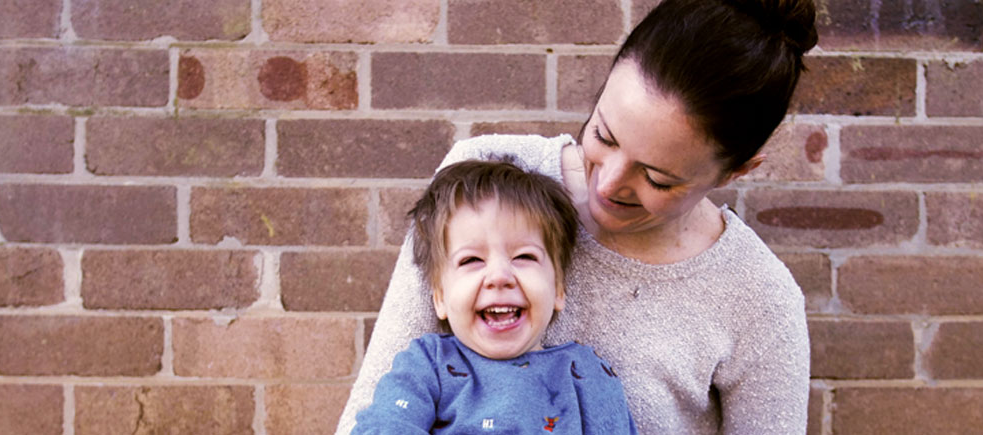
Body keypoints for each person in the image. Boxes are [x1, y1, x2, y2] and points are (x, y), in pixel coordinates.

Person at [339, 0, 818, 432]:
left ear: (735, 171)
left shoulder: (760, 300)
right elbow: (377, 407)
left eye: (658, 178)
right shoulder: (488, 179)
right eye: (604, 135)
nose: (605, 186)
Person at [352, 158, 638, 434]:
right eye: (471, 260)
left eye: (524, 256)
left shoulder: (585, 373)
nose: (500, 276)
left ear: (558, 290)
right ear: (439, 298)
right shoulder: (428, 365)